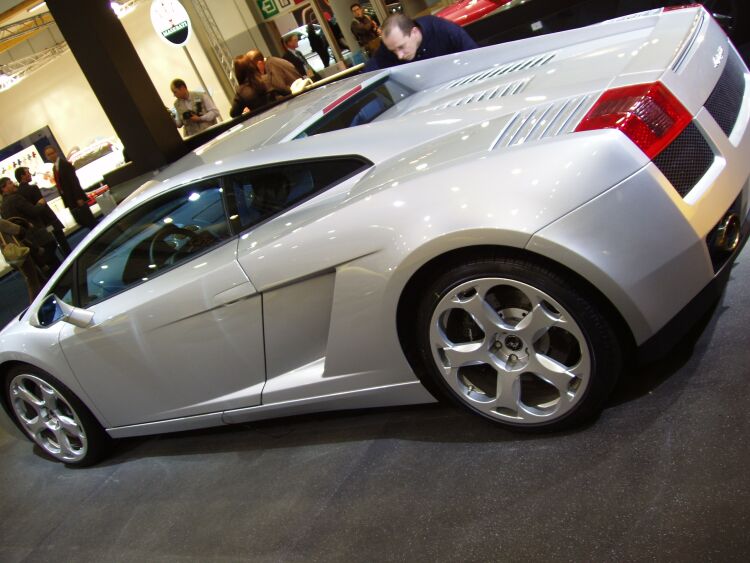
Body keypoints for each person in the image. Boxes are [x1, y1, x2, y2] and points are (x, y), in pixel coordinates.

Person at [364, 13, 479, 71]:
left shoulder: (444, 30)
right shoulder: (391, 43)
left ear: (414, 32)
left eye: (401, 47)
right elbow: (369, 73)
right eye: (393, 50)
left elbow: (477, 58)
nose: (399, 55)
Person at [0, 177, 61, 276]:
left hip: (27, 241)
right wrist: (40, 204)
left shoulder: (3, 207)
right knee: (53, 261)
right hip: (37, 235)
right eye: (9, 183)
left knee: (46, 266)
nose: (13, 184)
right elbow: (33, 211)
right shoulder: (16, 198)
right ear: (3, 188)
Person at [14, 166, 71, 256]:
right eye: (28, 173)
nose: (30, 174)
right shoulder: (33, 188)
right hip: (48, 221)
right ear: (22, 176)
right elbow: (42, 205)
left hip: (38, 225)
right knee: (61, 241)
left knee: (50, 247)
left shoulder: (18, 193)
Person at [43, 145, 98, 232]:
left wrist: (79, 198)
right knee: (81, 220)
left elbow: (74, 181)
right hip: (70, 200)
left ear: (56, 152)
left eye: (52, 153)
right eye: (48, 155)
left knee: (89, 220)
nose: (51, 156)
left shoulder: (65, 164)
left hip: (76, 198)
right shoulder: (54, 168)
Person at [0, 216, 44, 303]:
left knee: (32, 278)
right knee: (33, 282)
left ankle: (43, 295)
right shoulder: (1, 223)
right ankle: (35, 304)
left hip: (11, 256)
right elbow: (19, 230)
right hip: (20, 253)